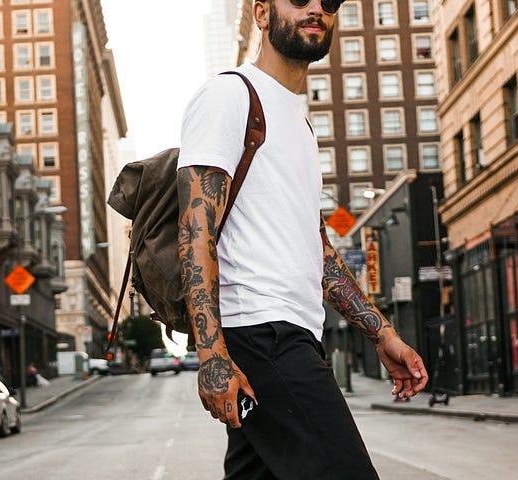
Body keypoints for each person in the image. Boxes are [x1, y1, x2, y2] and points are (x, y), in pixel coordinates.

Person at [176, 1, 428, 478]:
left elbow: (317, 248)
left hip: (295, 334)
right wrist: (211, 355)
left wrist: (383, 333)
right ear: (262, 13)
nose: (316, 9)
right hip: (262, 332)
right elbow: (196, 229)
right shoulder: (231, 96)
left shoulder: (298, 121)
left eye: (329, 2)